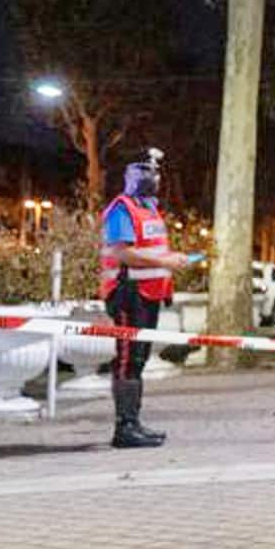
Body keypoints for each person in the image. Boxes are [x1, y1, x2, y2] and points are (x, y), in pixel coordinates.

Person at [99, 150, 190, 448]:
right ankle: (124, 428)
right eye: (145, 171)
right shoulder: (122, 209)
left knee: (137, 360)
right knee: (128, 360)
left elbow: (152, 249)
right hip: (128, 296)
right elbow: (120, 252)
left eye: (156, 172)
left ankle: (133, 423)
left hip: (148, 295)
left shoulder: (150, 210)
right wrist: (165, 263)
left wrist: (171, 262)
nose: (153, 177)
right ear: (130, 175)